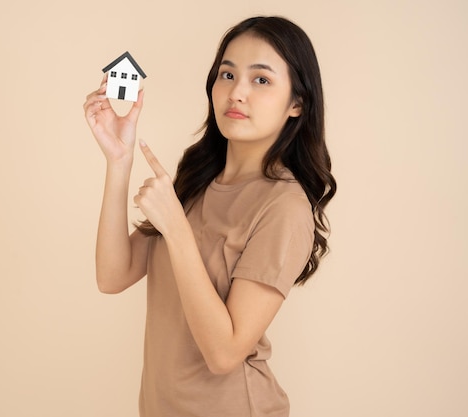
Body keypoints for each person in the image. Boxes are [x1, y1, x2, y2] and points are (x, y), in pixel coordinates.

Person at [83, 15, 336, 417]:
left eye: (261, 80)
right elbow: (113, 276)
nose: (237, 93)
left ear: (297, 104)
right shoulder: (198, 177)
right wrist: (119, 161)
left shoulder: (284, 206)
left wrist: (177, 230)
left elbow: (224, 354)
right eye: (227, 74)